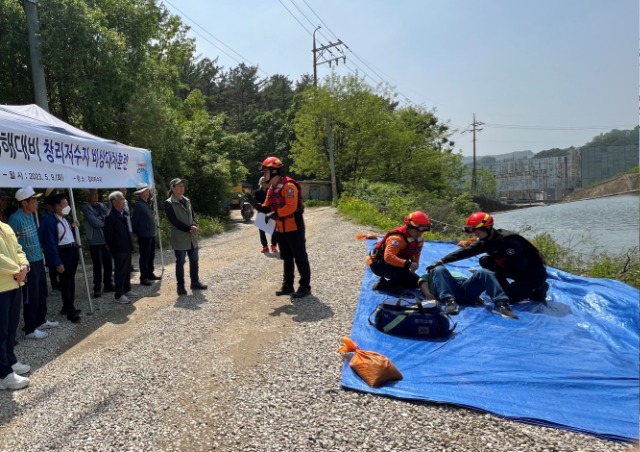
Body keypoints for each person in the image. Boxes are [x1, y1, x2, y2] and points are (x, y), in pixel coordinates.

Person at [426, 211, 548, 318]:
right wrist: (442, 260)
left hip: (531, 274)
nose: (474, 234)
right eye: (471, 230)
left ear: (487, 228)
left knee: (508, 297)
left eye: (475, 230)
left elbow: (519, 268)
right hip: (512, 269)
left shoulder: (510, 242)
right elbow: (465, 251)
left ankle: (539, 288)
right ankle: (506, 286)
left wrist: (492, 277)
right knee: (485, 261)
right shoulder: (486, 240)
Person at [8, 187, 59, 339]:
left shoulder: (31, 215)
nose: (37, 202)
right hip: (27, 264)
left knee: (42, 292)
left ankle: (40, 320)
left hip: (38, 260)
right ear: (24, 203)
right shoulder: (15, 219)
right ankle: (30, 328)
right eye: (34, 200)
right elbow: (11, 245)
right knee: (31, 296)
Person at [260, 157, 311, 299]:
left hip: (294, 226)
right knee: (286, 257)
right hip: (281, 228)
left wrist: (274, 213)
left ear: (274, 171)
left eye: (265, 172)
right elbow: (266, 205)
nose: (264, 176)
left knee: (300, 257)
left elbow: (290, 207)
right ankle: (288, 286)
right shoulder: (272, 188)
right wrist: (259, 208)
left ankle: (305, 286)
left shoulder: (289, 186)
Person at [38, 193, 81, 323]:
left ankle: (68, 306)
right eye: (65, 204)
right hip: (63, 253)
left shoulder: (64, 219)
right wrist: (57, 261)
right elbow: (50, 243)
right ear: (57, 206)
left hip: (72, 250)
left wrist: (73, 228)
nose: (67, 206)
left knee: (71, 281)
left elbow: (67, 235)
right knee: (65, 282)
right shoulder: (50, 220)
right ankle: (70, 312)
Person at [0, 220, 32, 390]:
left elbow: (18, 249)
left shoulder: (5, 226)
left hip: (14, 284)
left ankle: (10, 361)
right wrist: (17, 270)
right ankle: (3, 374)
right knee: (0, 331)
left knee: (10, 328)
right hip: (3, 285)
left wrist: (24, 265)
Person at [164, 178, 207, 296]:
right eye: (179, 186)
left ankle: (195, 282)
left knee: (194, 261)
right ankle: (181, 287)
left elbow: (193, 215)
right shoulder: (168, 203)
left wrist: (194, 224)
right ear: (173, 188)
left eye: (182, 186)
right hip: (180, 238)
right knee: (180, 262)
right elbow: (174, 221)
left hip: (191, 238)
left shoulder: (187, 200)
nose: (182, 188)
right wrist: (189, 228)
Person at [366, 211, 430, 291]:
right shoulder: (397, 238)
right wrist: (408, 264)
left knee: (416, 282)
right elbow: (388, 257)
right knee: (403, 267)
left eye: (424, 230)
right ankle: (393, 286)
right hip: (380, 265)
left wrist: (415, 263)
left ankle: (384, 284)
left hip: (397, 266)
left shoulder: (419, 239)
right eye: (418, 230)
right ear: (410, 227)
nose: (420, 233)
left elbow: (416, 252)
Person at [418, 266, 514, 318]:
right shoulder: (431, 275)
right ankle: (449, 301)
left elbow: (472, 284)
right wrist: (427, 294)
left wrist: (476, 296)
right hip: (451, 291)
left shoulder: (456, 273)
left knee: (483, 272)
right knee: (439, 269)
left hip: (466, 290)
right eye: (432, 268)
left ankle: (501, 304)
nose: (434, 268)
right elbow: (423, 284)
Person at [104, 191, 137, 304]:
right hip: (118, 249)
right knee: (120, 271)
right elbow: (108, 236)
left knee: (127, 270)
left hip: (126, 246)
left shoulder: (124, 213)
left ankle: (127, 289)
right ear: (114, 202)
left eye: (124, 199)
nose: (124, 201)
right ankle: (119, 294)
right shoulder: (110, 217)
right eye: (121, 199)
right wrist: (115, 246)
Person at [82, 189, 115, 298]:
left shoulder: (101, 205)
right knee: (97, 265)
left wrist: (102, 219)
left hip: (106, 239)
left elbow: (109, 217)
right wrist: (103, 220)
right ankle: (97, 288)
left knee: (108, 264)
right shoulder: (86, 208)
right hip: (95, 241)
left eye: (97, 194)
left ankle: (108, 284)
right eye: (93, 194)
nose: (96, 196)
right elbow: (94, 222)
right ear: (88, 196)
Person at [131, 183, 160, 286]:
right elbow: (134, 222)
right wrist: (139, 234)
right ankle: (143, 278)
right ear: (141, 193)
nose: (148, 193)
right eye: (146, 191)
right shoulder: (139, 205)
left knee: (151, 255)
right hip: (144, 235)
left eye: (148, 191)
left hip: (150, 234)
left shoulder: (146, 204)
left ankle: (150, 273)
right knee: (144, 256)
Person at [254, 176, 278, 253]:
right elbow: (256, 203)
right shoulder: (257, 192)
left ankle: (274, 246)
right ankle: (265, 246)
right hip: (261, 213)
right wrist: (258, 205)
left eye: (267, 181)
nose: (266, 183)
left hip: (270, 212)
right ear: (261, 182)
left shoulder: (271, 191)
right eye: (264, 181)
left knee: (274, 231)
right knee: (262, 231)